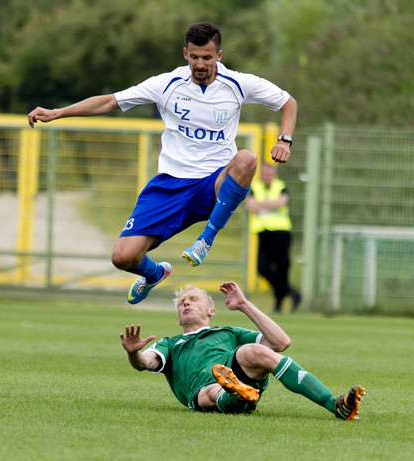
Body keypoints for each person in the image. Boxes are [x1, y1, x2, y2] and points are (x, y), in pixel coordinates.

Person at [28, 22, 297, 304]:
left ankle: (206, 239)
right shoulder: (166, 84)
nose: (200, 64)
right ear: (185, 54)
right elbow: (110, 102)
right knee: (123, 257)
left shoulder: (239, 84)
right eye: (194, 57)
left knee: (247, 158)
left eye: (207, 57)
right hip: (170, 185)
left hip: (213, 182)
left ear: (219, 56)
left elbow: (287, 102)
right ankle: (155, 273)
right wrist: (58, 112)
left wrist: (284, 140)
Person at [120, 281, 365, 419]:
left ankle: (335, 404)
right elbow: (146, 362)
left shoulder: (227, 333)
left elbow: (280, 342)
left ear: (211, 311)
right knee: (212, 391)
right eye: (182, 302)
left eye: (193, 299)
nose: (186, 302)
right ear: (178, 317)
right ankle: (236, 396)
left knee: (254, 351)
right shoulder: (170, 344)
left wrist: (245, 304)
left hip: (236, 374)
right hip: (203, 390)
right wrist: (133, 353)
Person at [246, 163, 301, 313]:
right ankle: (291, 292)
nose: (267, 176)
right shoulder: (255, 187)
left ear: (274, 174)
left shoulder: (280, 186)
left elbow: (282, 202)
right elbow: (249, 205)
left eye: (270, 173)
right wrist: (271, 204)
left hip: (281, 232)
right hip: (264, 233)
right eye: (265, 173)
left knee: (282, 268)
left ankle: (278, 304)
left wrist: (261, 205)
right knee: (262, 268)